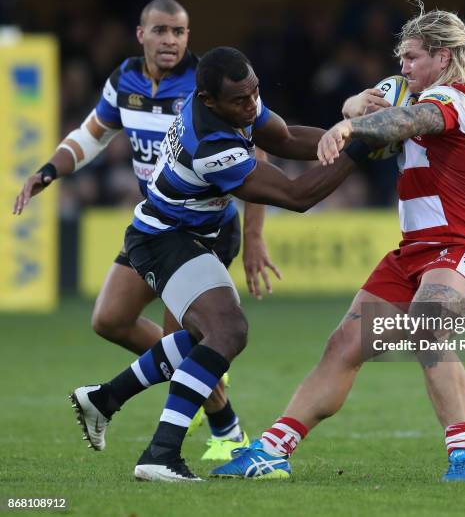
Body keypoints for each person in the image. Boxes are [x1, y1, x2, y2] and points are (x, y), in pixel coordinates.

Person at [211, 7, 465, 482]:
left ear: (443, 56)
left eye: (412, 58)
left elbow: (410, 122)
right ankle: (273, 449)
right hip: (416, 250)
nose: (404, 66)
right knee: (344, 343)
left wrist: (353, 127)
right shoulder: (419, 88)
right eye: (402, 59)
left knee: (427, 327)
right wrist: (353, 105)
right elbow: (381, 102)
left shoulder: (458, 99)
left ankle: (464, 457)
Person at [67, 46, 363, 482]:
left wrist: (346, 134)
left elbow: (282, 138)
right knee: (227, 330)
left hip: (187, 234)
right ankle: (160, 453)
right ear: (209, 102)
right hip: (163, 239)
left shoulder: (236, 99)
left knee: (202, 336)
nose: (251, 105)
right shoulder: (209, 142)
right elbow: (297, 197)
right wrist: (363, 149)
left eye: (255, 93)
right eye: (241, 101)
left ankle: (106, 399)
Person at [13, 0, 278, 460]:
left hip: (204, 232)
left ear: (188, 37)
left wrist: (255, 236)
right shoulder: (125, 80)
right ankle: (203, 404)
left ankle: (220, 436)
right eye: (161, 31)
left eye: (178, 32)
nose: (170, 40)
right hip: (156, 224)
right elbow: (92, 134)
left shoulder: (210, 87)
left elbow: (262, 154)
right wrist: (48, 170)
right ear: (141, 35)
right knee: (110, 319)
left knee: (190, 342)